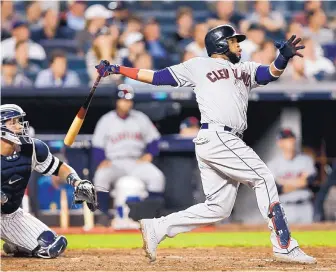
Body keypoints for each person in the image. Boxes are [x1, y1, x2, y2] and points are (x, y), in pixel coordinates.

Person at [95, 24, 316, 264]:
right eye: (234, 41)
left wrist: (282, 58)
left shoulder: (244, 68)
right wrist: (118, 69)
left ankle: (158, 227)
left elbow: (270, 73)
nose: (239, 44)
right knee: (263, 178)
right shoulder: (199, 65)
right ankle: (284, 245)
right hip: (218, 136)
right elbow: (157, 77)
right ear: (221, 44)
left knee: (218, 208)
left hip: (222, 140)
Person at [0, 104, 97, 258]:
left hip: (8, 215)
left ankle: (16, 243)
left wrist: (78, 182)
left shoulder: (31, 149)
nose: (19, 126)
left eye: (19, 121)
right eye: (13, 122)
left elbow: (60, 167)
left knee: (51, 245)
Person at [92, 84, 165, 229]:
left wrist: (150, 154)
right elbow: (97, 145)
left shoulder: (141, 118)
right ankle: (103, 216)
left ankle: (152, 216)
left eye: (129, 100)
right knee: (101, 177)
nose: (126, 103)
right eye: (123, 100)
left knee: (157, 177)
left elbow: (155, 140)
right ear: (117, 101)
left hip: (136, 162)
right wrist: (101, 160)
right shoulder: (106, 120)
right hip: (115, 163)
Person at [267, 129, 317, 224]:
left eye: (291, 138)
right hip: (285, 208)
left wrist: (284, 182)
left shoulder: (306, 160)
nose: (290, 142)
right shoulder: (273, 164)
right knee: (286, 238)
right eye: (286, 139)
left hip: (305, 206)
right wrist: (300, 181)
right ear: (279, 143)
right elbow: (277, 188)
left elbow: (309, 181)